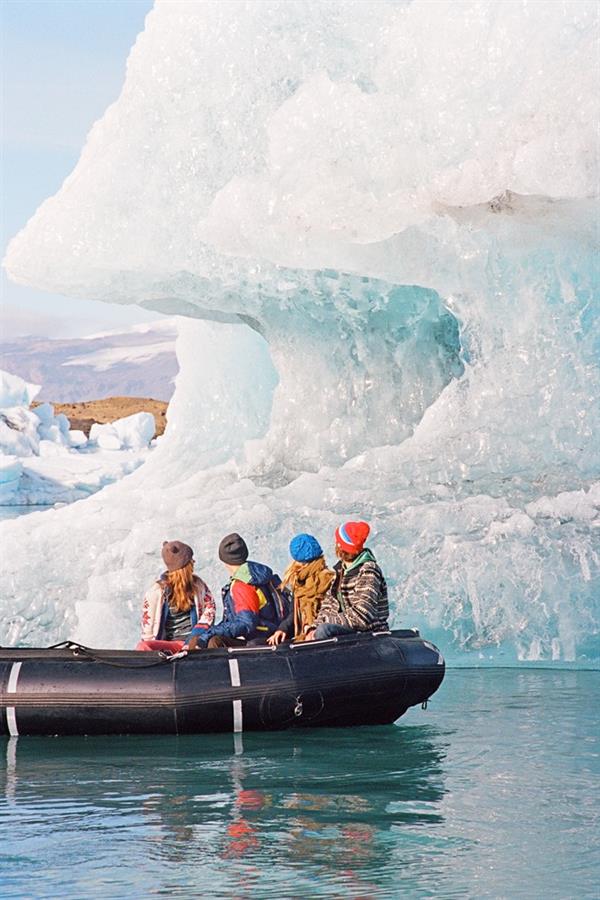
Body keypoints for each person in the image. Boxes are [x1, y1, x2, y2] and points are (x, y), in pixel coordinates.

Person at [187, 532, 286, 650]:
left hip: (259, 640)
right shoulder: (256, 573)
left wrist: (209, 633)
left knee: (211, 641)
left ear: (225, 560)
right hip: (268, 633)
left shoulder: (242, 585)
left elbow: (246, 623)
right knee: (204, 637)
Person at [304, 521, 388, 641]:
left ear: (339, 546)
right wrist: (313, 627)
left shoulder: (369, 571)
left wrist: (324, 624)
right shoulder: (340, 570)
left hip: (369, 633)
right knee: (316, 630)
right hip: (350, 630)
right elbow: (328, 605)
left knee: (324, 630)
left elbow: (362, 617)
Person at [136, 540, 216, 652]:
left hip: (193, 643)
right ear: (184, 566)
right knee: (142, 647)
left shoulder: (199, 585)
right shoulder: (156, 592)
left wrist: (192, 641)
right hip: (168, 645)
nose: (194, 561)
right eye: (191, 560)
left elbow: (209, 613)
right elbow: (147, 631)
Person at [267, 533, 335, 645]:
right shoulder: (298, 581)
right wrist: (283, 629)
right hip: (302, 634)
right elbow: (294, 612)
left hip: (318, 634)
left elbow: (331, 612)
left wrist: (312, 629)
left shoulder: (328, 580)